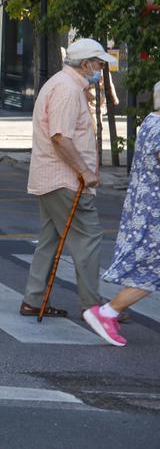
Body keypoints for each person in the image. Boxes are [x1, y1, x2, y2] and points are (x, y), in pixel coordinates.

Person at [19, 38, 117, 318]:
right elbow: (61, 137)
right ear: (85, 64)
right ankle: (93, 306)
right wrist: (85, 172)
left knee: (51, 238)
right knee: (88, 238)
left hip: (53, 179)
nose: (100, 69)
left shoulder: (63, 84)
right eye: (98, 63)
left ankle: (34, 299)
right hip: (65, 180)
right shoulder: (67, 90)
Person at [83, 80, 160, 346]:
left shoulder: (151, 120)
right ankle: (107, 312)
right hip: (154, 213)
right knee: (150, 272)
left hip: (144, 205)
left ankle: (108, 311)